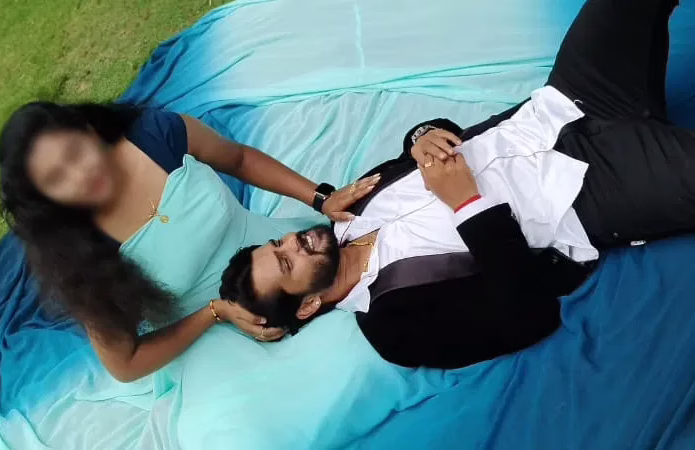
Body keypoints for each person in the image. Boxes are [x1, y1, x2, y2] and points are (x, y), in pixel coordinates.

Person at [219, 0, 693, 369]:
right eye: (287, 262)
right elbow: (529, 317)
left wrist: (422, 137)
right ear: (308, 306)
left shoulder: (352, 208)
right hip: (596, 191)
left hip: (562, 103)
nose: (295, 242)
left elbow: (430, 141)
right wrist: (468, 206)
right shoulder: (393, 326)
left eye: (278, 243)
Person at [0, 102, 378, 382]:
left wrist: (320, 197)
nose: (79, 176)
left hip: (287, 258)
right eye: (57, 179)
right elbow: (125, 364)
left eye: (75, 153)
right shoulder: (77, 253)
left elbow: (240, 159)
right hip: (212, 339)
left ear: (89, 130)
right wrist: (215, 313)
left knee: (377, 272)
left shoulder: (153, 135)